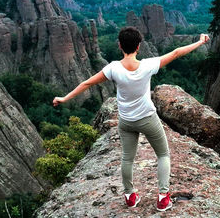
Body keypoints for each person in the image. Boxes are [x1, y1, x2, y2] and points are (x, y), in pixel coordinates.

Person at [53, 26, 210, 211]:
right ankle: (163, 198)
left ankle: (129, 196)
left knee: (127, 158)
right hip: (147, 118)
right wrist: (200, 42)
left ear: (120, 46)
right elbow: (176, 53)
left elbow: (87, 83)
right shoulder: (147, 65)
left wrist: (64, 98)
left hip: (126, 121)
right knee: (163, 154)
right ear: (138, 47)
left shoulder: (113, 68)